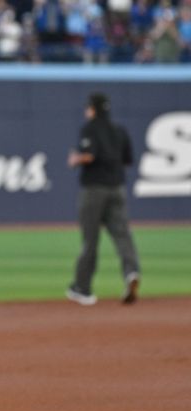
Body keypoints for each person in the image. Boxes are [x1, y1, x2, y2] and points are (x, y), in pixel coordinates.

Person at [66, 92, 140, 306]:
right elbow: (127, 161)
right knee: (123, 235)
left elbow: (89, 155)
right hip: (117, 188)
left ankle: (83, 288)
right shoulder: (119, 130)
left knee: (90, 239)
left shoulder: (89, 128)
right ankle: (131, 272)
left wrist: (75, 159)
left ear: (93, 108)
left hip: (94, 190)